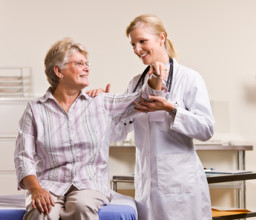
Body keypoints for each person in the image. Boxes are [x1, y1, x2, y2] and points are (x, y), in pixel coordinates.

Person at [14, 37, 165, 220]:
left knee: (81, 206)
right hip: (48, 184)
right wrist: (36, 189)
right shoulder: (35, 110)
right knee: (41, 212)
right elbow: (23, 157)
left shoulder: (100, 102)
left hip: (89, 184)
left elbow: (143, 99)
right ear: (58, 71)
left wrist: (156, 77)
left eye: (87, 63)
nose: (87, 68)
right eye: (79, 63)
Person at [90, 14, 215, 220]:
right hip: (146, 185)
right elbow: (117, 134)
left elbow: (206, 129)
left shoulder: (189, 78)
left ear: (161, 38)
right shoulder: (136, 83)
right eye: (133, 45)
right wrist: (103, 109)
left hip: (180, 184)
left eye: (142, 41)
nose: (137, 50)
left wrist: (171, 108)